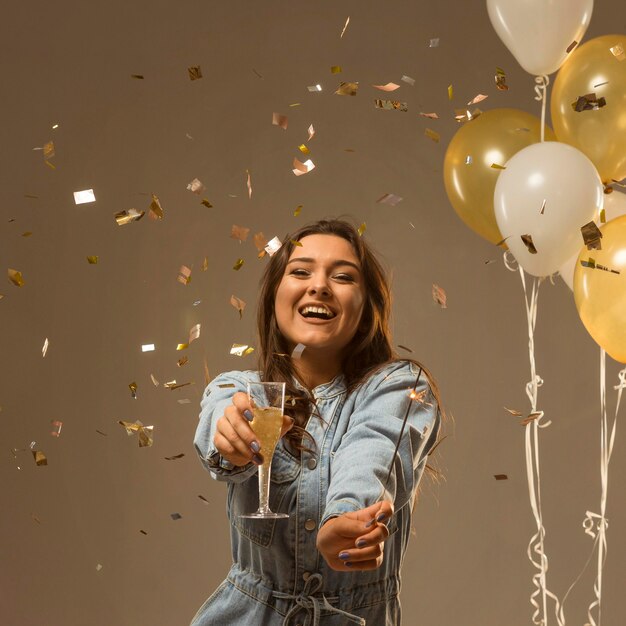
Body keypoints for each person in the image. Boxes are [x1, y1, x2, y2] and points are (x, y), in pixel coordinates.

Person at [191, 219, 442, 625]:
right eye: (300, 271)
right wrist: (229, 435)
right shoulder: (237, 387)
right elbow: (219, 419)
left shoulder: (399, 387)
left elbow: (373, 448)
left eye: (343, 277)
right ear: (275, 296)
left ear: (366, 307)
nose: (319, 286)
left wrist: (344, 518)